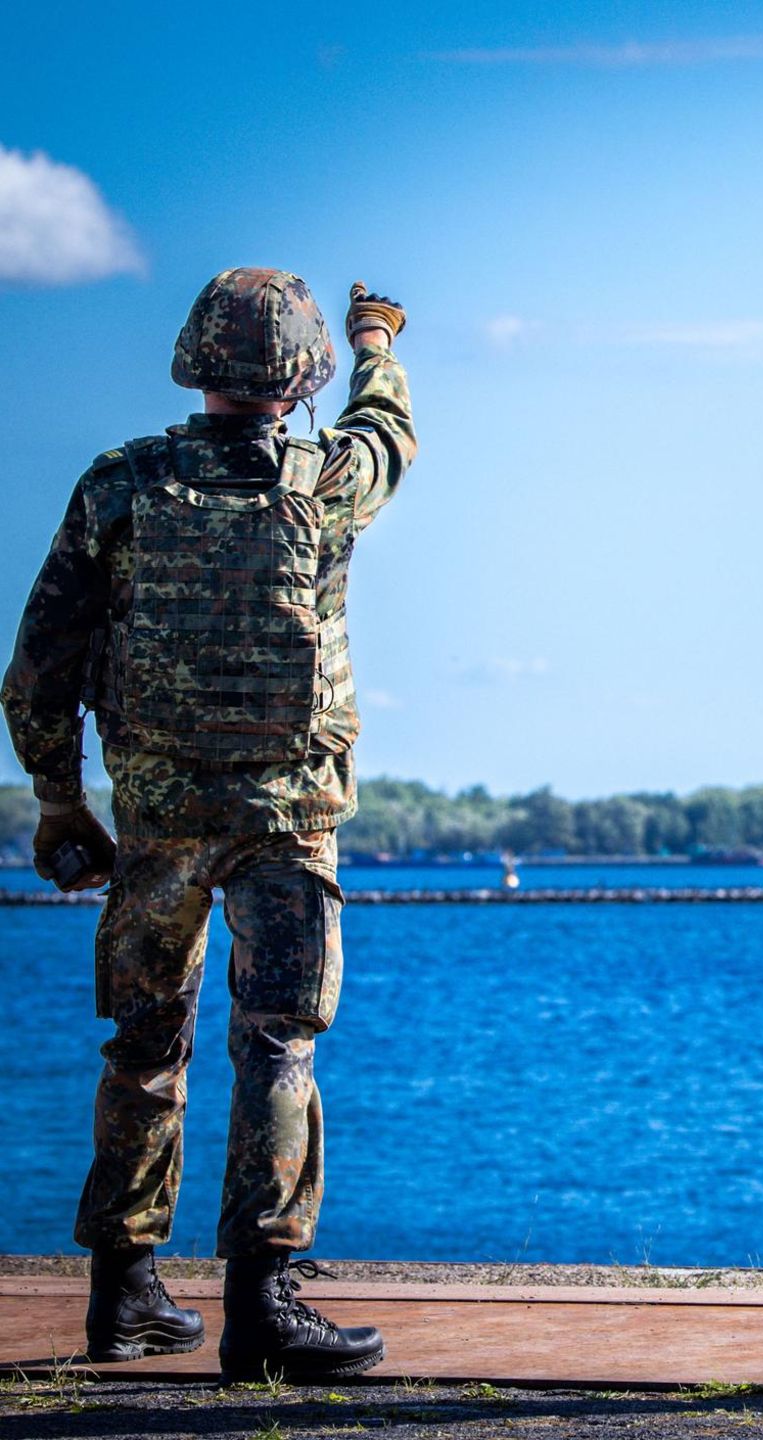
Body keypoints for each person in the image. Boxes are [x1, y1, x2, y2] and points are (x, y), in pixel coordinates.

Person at [2, 270, 415, 1382]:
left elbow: (36, 670)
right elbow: (390, 430)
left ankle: (123, 1294)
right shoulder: (330, 477)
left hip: (160, 812)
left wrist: (57, 802)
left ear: (195, 361)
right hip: (289, 813)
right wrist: (378, 337)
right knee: (276, 1041)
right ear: (300, 376)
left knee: (145, 1047)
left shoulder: (121, 484)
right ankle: (263, 1304)